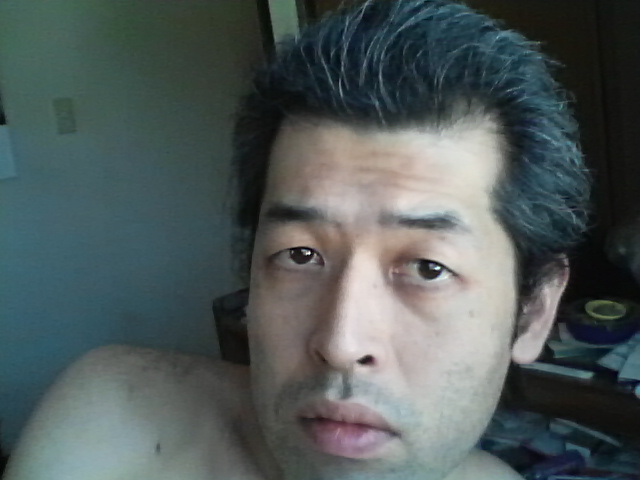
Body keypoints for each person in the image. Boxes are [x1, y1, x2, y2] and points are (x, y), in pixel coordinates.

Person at [4, 1, 591, 479]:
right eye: (301, 254)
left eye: (427, 268)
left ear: (533, 312)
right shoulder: (113, 417)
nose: (341, 343)